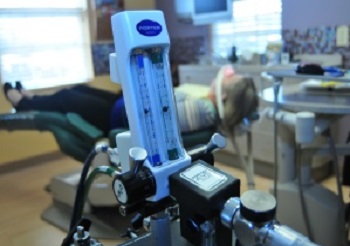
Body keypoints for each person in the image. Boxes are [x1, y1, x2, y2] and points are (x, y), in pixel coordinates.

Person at [3, 65, 258, 138]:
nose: (224, 76)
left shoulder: (203, 110)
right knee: (78, 89)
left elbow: (159, 118)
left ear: (224, 96)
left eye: (228, 80)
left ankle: (23, 103)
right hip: (124, 107)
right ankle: (32, 97)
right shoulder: (208, 110)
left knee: (69, 97)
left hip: (118, 119)